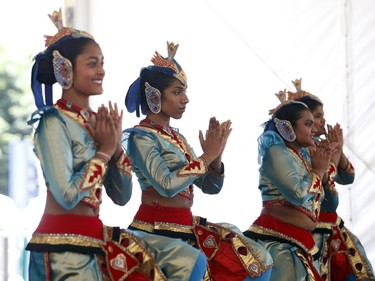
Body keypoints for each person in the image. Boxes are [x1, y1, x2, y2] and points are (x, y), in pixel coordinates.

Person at [25, 9, 207, 281]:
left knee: (189, 261)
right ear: (65, 69)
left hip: (96, 238)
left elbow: (121, 198)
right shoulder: (53, 122)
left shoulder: (97, 124)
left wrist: (117, 150)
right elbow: (66, 195)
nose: (101, 71)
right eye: (92, 63)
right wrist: (104, 152)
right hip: (62, 248)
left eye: (102, 63)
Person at [123, 41, 273, 281]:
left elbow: (211, 187)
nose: (186, 99)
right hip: (155, 231)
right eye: (177, 92)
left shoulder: (177, 137)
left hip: (187, 227)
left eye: (184, 91)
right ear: (154, 96)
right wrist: (206, 156)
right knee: (195, 264)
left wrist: (216, 160)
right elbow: (167, 185)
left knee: (258, 260)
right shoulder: (140, 138)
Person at [290, 78, 375, 281]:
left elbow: (348, 177)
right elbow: (319, 181)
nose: (323, 121)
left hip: (333, 227)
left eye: (323, 116)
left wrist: (339, 149)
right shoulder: (298, 150)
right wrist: (333, 159)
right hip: (312, 230)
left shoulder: (320, 145)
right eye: (318, 117)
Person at [243, 91, 332, 281]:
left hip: (300, 242)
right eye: (308, 124)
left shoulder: (301, 156)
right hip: (278, 242)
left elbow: (331, 202)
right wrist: (318, 171)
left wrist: (327, 163)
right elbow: (297, 194)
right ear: (287, 128)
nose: (314, 129)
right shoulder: (275, 151)